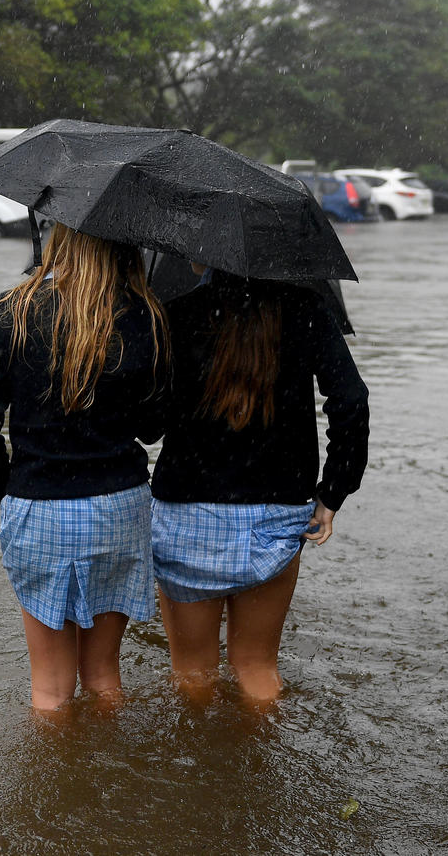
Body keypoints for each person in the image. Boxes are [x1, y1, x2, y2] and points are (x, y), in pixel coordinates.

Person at [0, 222, 167, 713]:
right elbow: (153, 427)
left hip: (39, 508)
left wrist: (11, 491)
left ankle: (58, 786)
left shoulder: (10, 311)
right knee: (104, 677)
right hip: (120, 506)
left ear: (58, 235)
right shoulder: (143, 313)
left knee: (51, 691)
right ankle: (109, 783)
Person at [150, 266, 368, 707]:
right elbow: (351, 400)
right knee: (257, 669)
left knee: (192, 673)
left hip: (186, 513)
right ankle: (260, 770)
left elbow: (149, 425)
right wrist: (332, 493)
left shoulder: (173, 315)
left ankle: (193, 770)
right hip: (276, 513)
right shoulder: (307, 310)